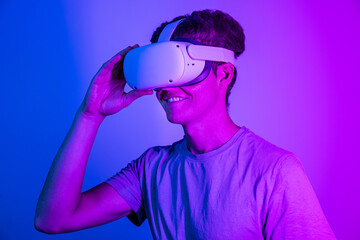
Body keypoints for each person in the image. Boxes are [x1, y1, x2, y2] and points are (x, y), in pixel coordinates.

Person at [35, 9, 336, 239]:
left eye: (179, 70)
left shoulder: (275, 170)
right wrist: (90, 114)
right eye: (160, 73)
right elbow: (53, 220)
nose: (166, 88)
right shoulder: (151, 168)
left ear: (224, 75)